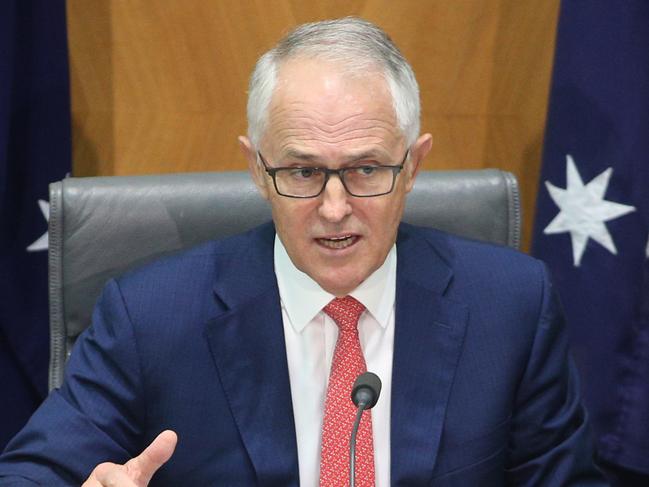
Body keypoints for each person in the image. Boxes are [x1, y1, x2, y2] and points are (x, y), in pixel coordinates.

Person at [0, 17, 606, 486]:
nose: (335, 208)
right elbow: (31, 472)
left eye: (367, 169)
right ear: (257, 169)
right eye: (302, 171)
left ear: (414, 164)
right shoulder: (151, 317)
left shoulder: (511, 307)